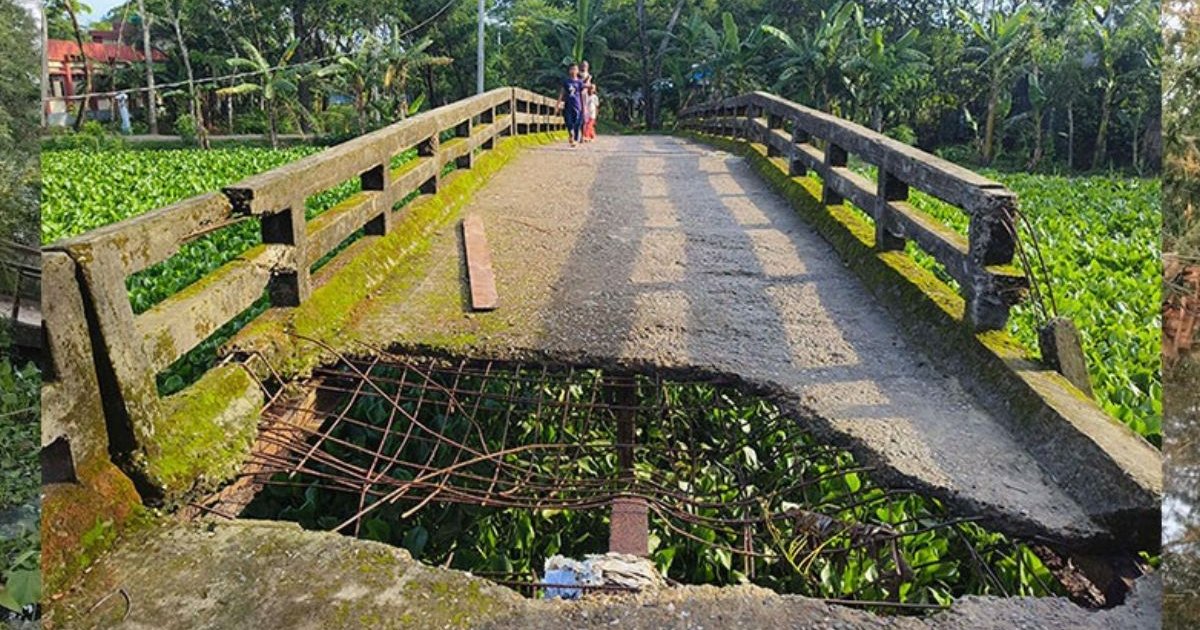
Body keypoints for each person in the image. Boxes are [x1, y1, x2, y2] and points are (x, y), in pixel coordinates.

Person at [555, 62, 586, 147]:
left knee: (577, 123)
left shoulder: (580, 83)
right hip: (568, 104)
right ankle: (571, 134)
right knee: (568, 121)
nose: (573, 71)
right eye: (572, 69)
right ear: (569, 71)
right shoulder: (566, 82)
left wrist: (584, 107)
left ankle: (575, 140)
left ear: (578, 71)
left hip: (578, 105)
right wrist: (557, 104)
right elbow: (561, 93)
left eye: (575, 69)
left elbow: (582, 95)